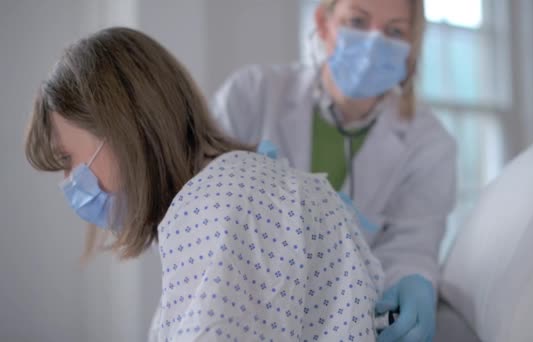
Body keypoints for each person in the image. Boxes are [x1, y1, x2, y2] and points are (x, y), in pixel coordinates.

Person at [24, 27, 385, 341]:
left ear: (118, 130)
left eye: (67, 159)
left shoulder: (211, 207)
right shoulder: (223, 194)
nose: (69, 182)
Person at [212, 0, 456, 340]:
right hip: (235, 311)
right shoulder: (252, 95)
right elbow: (192, 207)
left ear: (410, 46)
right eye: (357, 20)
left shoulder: (430, 144)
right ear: (324, 24)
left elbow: (410, 247)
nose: (373, 43)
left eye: (395, 30)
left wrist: (411, 281)